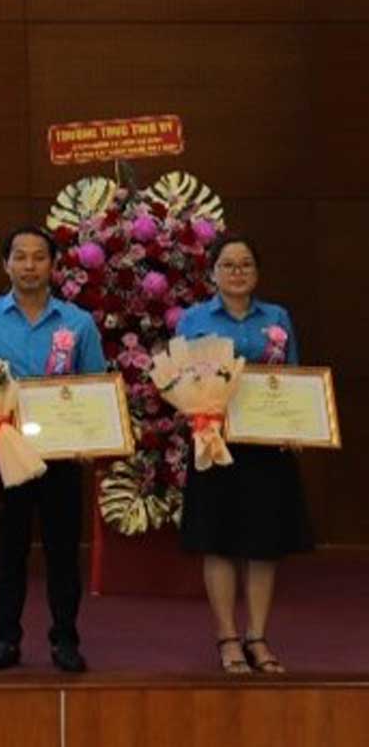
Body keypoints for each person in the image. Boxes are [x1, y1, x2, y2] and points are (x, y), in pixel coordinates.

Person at [0, 224, 107, 674]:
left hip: (60, 455)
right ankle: (5, 637)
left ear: (54, 265)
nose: (30, 265)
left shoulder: (78, 323)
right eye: (20, 257)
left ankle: (65, 639)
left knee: (62, 550)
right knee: (9, 549)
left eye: (40, 257)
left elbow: (94, 386)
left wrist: (89, 439)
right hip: (7, 452)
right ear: (6, 264)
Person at [175, 236, 313, 676]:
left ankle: (257, 635)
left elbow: (292, 377)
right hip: (214, 444)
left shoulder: (277, 318)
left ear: (257, 272)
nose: (237, 271)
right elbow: (178, 381)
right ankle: (227, 637)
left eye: (246, 264)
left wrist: (298, 424)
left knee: (263, 545)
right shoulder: (193, 320)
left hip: (267, 448)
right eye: (228, 264)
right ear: (212, 272)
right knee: (218, 542)